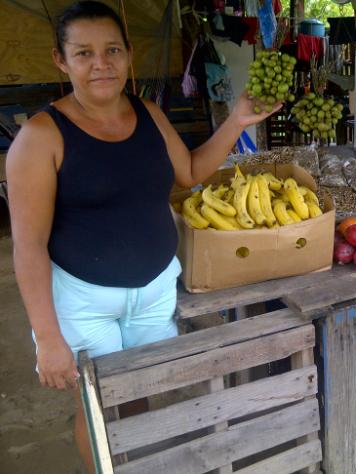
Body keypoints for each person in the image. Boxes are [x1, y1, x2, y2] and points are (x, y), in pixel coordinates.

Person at [5, 1, 280, 472]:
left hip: (153, 292)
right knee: (98, 408)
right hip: (84, 301)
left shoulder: (149, 113)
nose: (101, 64)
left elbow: (189, 171)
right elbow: (28, 246)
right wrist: (48, 338)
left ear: (129, 54)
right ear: (60, 60)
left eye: (112, 50)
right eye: (84, 53)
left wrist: (236, 121)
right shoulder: (41, 137)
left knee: (138, 394)